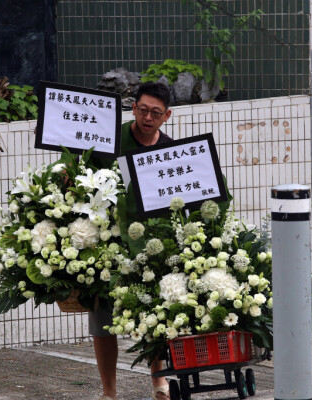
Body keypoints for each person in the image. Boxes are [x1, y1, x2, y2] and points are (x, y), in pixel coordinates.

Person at [91, 81, 173, 400]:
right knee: (103, 317)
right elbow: (87, 175)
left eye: (156, 112)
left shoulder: (169, 151)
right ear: (134, 107)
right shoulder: (111, 140)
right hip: (108, 239)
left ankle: (159, 383)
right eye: (143, 110)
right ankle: (109, 392)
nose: (148, 117)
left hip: (149, 243)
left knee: (154, 314)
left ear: (166, 116)